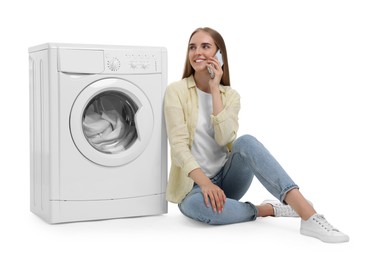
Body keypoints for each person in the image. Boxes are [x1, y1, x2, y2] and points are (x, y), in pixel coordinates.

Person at [163, 27, 349, 243]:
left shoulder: (230, 96)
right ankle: (268, 209)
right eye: (192, 47)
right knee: (196, 207)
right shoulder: (176, 91)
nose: (197, 52)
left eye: (206, 46)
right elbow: (178, 147)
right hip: (194, 186)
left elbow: (224, 139)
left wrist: (215, 89)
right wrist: (205, 183)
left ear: (219, 54)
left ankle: (308, 213)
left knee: (246, 141)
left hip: (228, 179)